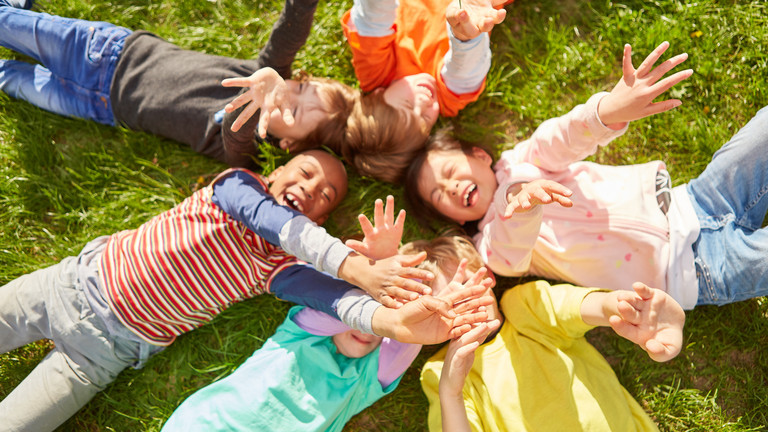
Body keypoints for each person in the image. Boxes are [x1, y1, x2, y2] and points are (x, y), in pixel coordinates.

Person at [0, 150, 457, 432]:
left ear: (319, 222)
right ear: (275, 171)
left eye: (325, 196)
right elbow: (271, 220)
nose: (310, 188)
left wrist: (390, 318)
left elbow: (333, 301)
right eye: (305, 172)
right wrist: (353, 265)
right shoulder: (235, 188)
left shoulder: (277, 268)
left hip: (100, 355)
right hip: (65, 287)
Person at [404, 41, 763, 311]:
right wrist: (520, 205)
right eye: (439, 196)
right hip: (694, 272)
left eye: (449, 172)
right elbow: (509, 254)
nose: (450, 186)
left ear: (479, 156)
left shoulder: (524, 161)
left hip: (697, 200)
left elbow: (561, 138)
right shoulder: (490, 246)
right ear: (453, 219)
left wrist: (607, 111)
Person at [159, 197, 495, 432]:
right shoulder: (301, 333)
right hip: (209, 423)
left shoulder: (370, 378)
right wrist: (380, 265)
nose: (372, 328)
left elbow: (406, 337)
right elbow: (341, 306)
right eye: (388, 303)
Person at [0, 0, 357, 168]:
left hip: (100, 107)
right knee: (7, 24)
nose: (284, 95)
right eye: (299, 88)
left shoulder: (244, 152)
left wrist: (254, 101)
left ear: (290, 144)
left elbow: (235, 130)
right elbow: (288, 36)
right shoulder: (267, 73)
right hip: (108, 54)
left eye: (294, 111)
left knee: (11, 80)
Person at [421, 278, 686, 431]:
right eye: (445, 302)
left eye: (467, 284)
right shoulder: (442, 372)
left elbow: (575, 307)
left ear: (488, 277)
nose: (463, 300)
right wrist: (451, 393)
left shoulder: (523, 309)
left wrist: (621, 308)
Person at [340, 0, 511, 182]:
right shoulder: (445, 100)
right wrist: (466, 37)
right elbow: (466, 74)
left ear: (378, 94)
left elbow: (371, 22)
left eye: (407, 104)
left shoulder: (376, 77)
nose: (424, 102)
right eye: (425, 118)